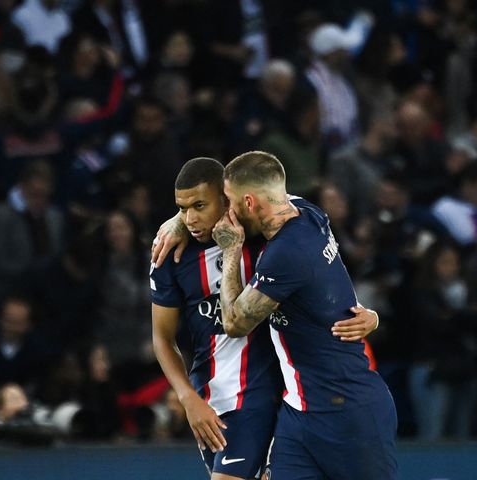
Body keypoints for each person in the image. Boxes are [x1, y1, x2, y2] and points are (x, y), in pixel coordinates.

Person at [150, 157, 378, 480]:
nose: (190, 219)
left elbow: (317, 271)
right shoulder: (169, 255)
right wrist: (188, 398)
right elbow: (162, 337)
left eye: (199, 206)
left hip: (287, 396)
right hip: (224, 400)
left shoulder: (264, 231)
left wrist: (366, 312)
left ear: (229, 199)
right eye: (182, 209)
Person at [213, 151, 397, 479]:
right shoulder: (309, 213)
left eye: (230, 201)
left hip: (348, 413)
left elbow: (235, 323)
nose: (227, 212)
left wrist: (230, 250)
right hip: (300, 413)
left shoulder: (286, 254)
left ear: (251, 203)